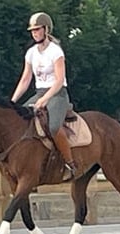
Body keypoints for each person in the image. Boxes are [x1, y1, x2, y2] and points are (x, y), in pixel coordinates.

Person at [10, 11, 77, 180]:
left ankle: (70, 163)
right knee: (20, 120)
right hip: (39, 93)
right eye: (32, 30)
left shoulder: (56, 51)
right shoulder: (31, 53)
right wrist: (12, 102)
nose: (34, 33)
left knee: (53, 126)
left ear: (46, 29)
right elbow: (25, 79)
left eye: (37, 29)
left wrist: (45, 99)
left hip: (57, 94)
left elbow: (60, 80)